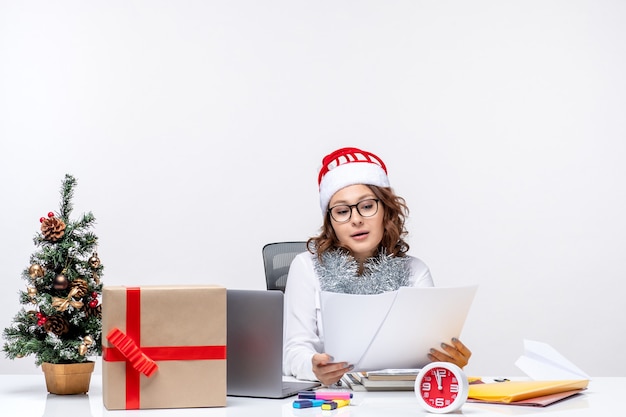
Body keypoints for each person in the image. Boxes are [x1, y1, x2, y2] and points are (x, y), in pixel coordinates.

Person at [283, 147, 471, 385]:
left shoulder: (416, 272)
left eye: (367, 206)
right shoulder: (306, 267)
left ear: (386, 211)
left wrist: (448, 361)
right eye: (342, 211)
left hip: (401, 399)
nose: (356, 219)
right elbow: (293, 352)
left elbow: (429, 354)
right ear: (331, 223)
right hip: (334, 400)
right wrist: (314, 367)